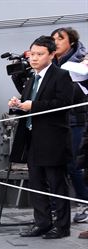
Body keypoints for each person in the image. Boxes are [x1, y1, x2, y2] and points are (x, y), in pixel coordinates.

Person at [9, 36, 74, 239]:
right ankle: (42, 223)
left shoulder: (61, 76)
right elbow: (29, 105)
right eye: (32, 54)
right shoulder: (31, 78)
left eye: (40, 54)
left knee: (56, 183)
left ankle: (62, 226)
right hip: (32, 138)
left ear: (52, 55)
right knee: (36, 182)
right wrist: (18, 105)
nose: (34, 59)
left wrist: (33, 106)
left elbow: (64, 104)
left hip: (53, 139)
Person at [51, 27, 88, 221]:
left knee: (76, 164)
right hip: (62, 120)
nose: (55, 42)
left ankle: (85, 203)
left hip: (77, 120)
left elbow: (76, 93)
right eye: (53, 38)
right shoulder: (55, 62)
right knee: (64, 164)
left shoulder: (80, 62)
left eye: (60, 38)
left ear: (71, 42)